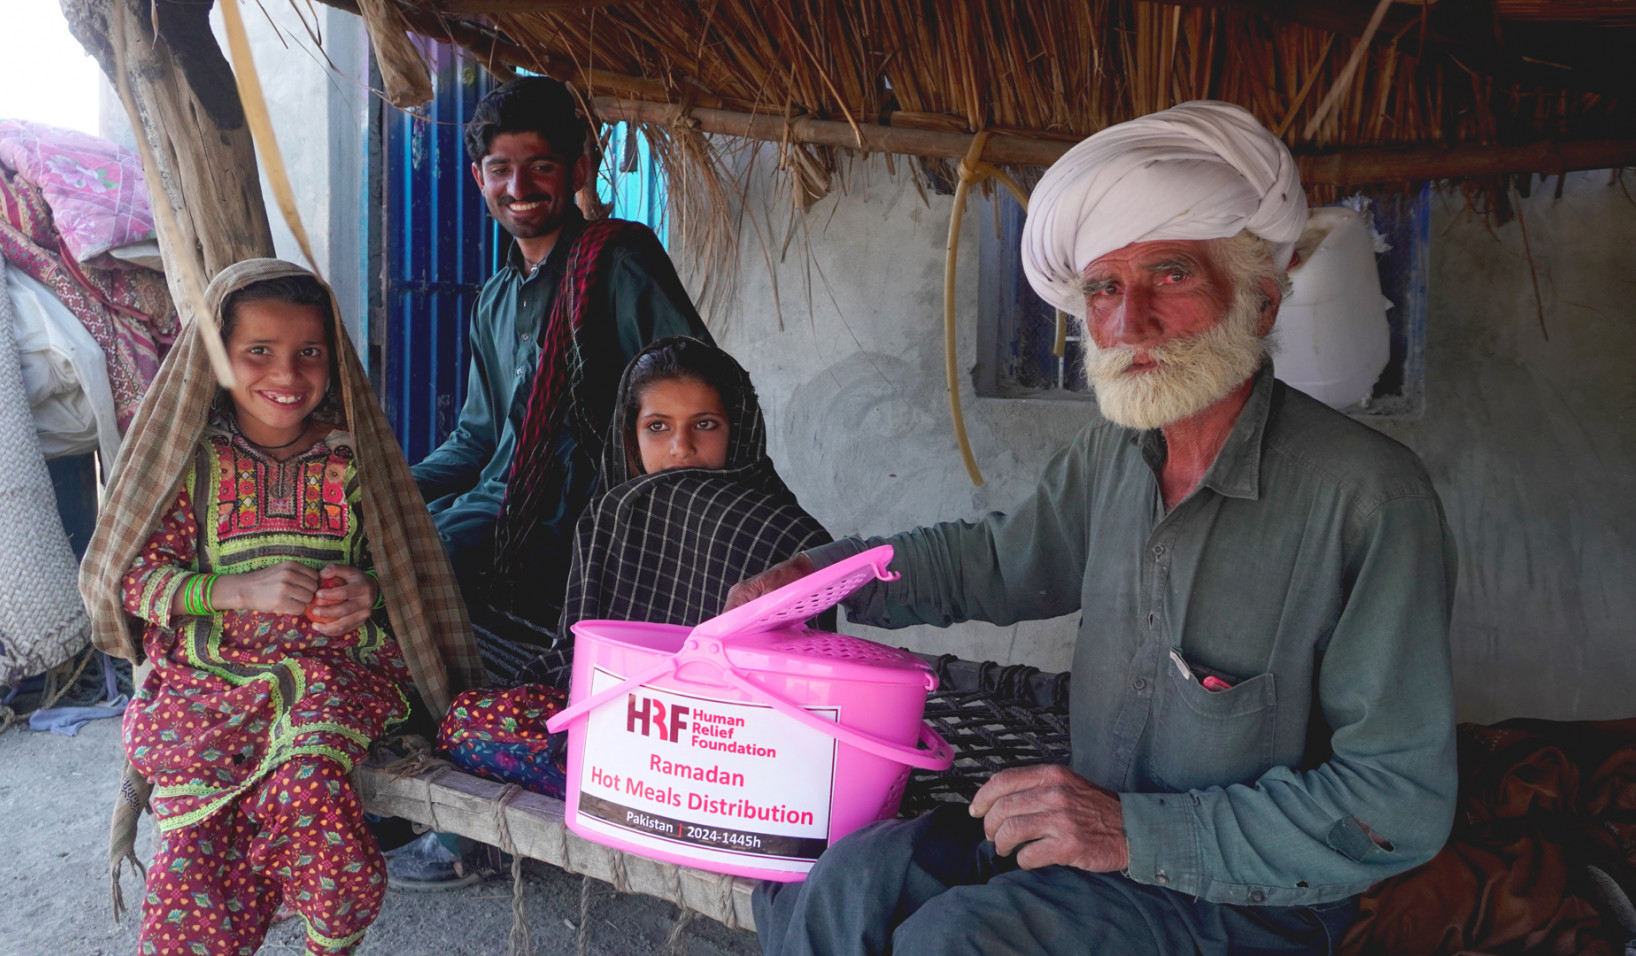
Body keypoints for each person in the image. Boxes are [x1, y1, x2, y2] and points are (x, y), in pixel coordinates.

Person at [729, 101, 1458, 956]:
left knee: (959, 943)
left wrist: (1131, 832)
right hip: (1088, 850)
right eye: (1105, 288)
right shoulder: (1115, 454)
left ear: (1259, 303)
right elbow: (1002, 562)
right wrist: (822, 578)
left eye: (1172, 276)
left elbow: (1396, 799)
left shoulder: (1367, 496)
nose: (1128, 321)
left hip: (1238, 900)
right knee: (841, 881)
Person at [78, 259, 482, 955]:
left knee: (313, 806)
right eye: (258, 352)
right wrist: (232, 589)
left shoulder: (355, 463)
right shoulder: (190, 465)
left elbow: (407, 576)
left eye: (310, 353)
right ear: (218, 359)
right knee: (190, 885)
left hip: (329, 680)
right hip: (209, 687)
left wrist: (367, 595)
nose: (287, 375)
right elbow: (133, 581)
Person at [409, 76, 711, 674]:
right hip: (494, 509)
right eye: (500, 169)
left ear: (578, 171)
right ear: (479, 179)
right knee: (372, 547)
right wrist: (390, 490)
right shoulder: (494, 298)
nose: (518, 188)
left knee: (413, 574)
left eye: (540, 166)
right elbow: (476, 440)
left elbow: (699, 396)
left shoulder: (619, 261)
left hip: (585, 521)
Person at [561, 335, 832, 639]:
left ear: (737, 429)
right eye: (658, 426)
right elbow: (577, 650)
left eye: (704, 424)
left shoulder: (793, 539)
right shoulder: (607, 518)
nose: (681, 447)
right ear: (631, 438)